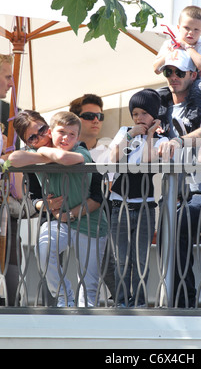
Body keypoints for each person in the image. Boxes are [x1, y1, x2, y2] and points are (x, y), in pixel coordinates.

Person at [11, 111, 108, 307]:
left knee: (89, 284)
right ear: (27, 142)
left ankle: (85, 323)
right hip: (57, 221)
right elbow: (13, 160)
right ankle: (64, 299)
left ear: (49, 128)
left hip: (90, 221)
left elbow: (64, 158)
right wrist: (45, 205)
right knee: (45, 248)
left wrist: (42, 155)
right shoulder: (33, 153)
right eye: (33, 137)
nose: (40, 137)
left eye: (42, 130)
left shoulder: (78, 148)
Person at [156, 50, 201, 308]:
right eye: (168, 72)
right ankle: (174, 302)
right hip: (171, 190)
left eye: (179, 72)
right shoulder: (160, 103)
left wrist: (178, 140)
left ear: (193, 74)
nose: (173, 77)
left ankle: (185, 305)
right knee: (166, 238)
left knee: (179, 226)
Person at [109, 89, 168, 307]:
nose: (139, 118)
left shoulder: (162, 138)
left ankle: (140, 303)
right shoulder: (125, 131)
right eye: (135, 113)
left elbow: (148, 163)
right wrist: (131, 135)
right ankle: (122, 302)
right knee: (121, 260)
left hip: (144, 206)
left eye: (144, 113)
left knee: (141, 260)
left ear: (154, 114)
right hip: (119, 205)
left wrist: (150, 136)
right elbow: (112, 158)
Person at [69, 94, 115, 302]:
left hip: (99, 217)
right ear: (75, 118)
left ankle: (123, 303)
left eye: (99, 116)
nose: (96, 120)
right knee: (51, 257)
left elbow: (109, 188)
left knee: (106, 266)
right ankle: (51, 310)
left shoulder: (109, 149)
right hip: (66, 217)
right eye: (89, 116)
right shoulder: (61, 149)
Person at [154, 5, 201, 91]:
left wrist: (187, 47)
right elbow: (156, 69)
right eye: (187, 28)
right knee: (158, 94)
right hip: (181, 87)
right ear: (178, 27)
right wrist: (169, 53)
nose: (191, 32)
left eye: (196, 29)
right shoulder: (169, 44)